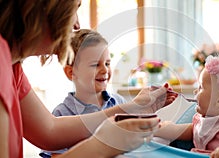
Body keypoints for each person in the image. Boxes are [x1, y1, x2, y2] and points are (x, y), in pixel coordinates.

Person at [0, 0, 177, 158]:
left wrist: (134, 106)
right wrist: (102, 145)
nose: (77, 24)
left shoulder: (13, 67)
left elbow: (50, 130)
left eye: (107, 63)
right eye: (73, 9)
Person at [40, 29, 128, 157]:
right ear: (71, 73)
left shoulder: (119, 103)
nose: (105, 70)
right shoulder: (61, 114)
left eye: (107, 63)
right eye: (95, 64)